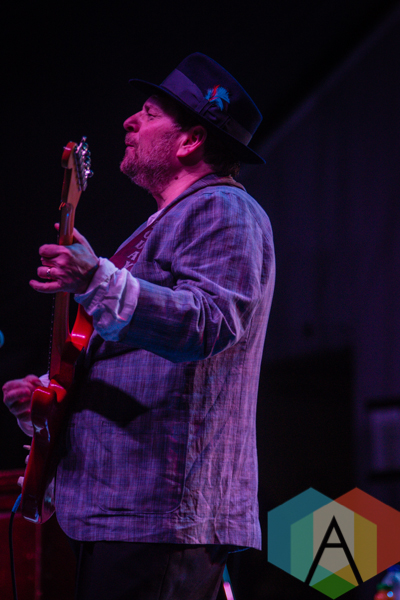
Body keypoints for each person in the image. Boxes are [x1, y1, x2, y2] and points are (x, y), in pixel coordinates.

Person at [3, 53, 275, 600]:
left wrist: (95, 278)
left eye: (149, 114)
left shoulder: (224, 209)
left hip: (162, 516)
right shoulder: (160, 225)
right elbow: (133, 357)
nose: (130, 121)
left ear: (190, 141)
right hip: (124, 512)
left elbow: (207, 323)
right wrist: (51, 400)